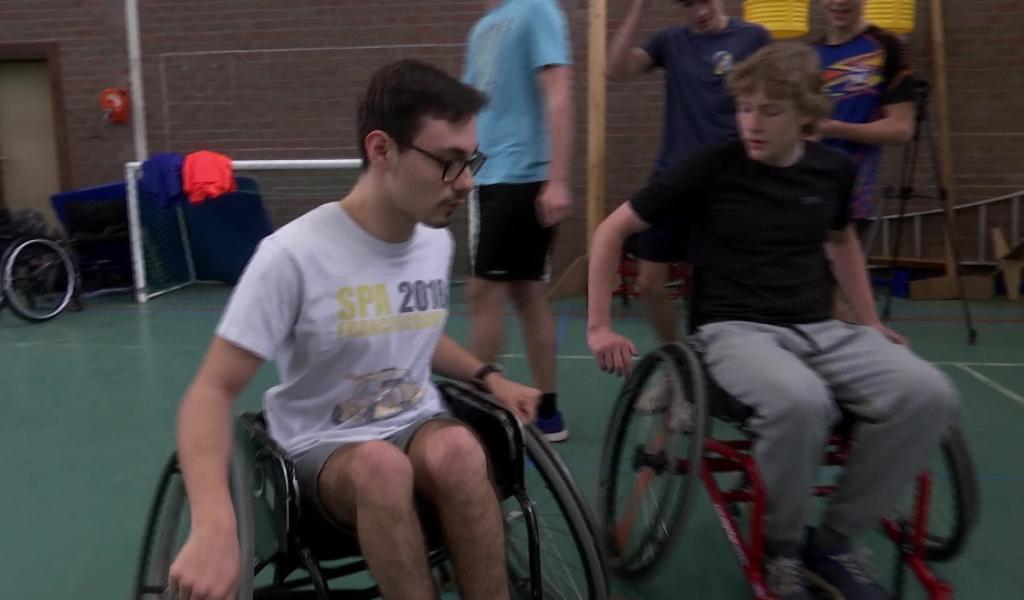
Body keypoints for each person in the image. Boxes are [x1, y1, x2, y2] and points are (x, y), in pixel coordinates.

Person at [586, 43, 958, 600]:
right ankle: (780, 547)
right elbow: (610, 231)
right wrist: (598, 326)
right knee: (801, 401)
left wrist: (869, 322)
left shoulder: (831, 171)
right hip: (732, 333)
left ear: (806, 117)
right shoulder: (709, 168)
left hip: (820, 330)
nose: (751, 123)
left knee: (930, 393)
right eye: (745, 108)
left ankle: (833, 540)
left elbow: (842, 244)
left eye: (769, 111)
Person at [166, 59, 541, 600]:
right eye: (449, 162)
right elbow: (210, 390)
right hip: (324, 447)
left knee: (462, 449)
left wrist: (488, 376)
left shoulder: (434, 242)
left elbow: (411, 330)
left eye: (471, 161)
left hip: (414, 421)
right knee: (380, 468)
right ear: (381, 149)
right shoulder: (292, 257)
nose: (467, 182)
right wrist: (214, 524)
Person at [606, 0, 770, 344]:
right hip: (673, 177)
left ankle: (714, 363)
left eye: (703, 2)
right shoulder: (670, 40)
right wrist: (638, 10)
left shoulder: (753, 37)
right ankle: (676, 360)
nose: (699, 12)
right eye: (688, 5)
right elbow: (616, 69)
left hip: (726, 182)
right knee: (648, 283)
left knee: (712, 290)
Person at [462, 0, 574, 442]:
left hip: (522, 173)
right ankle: (548, 413)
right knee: (527, 292)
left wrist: (558, 179)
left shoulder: (537, 9)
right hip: (488, 175)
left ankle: (477, 412)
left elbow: (559, 92)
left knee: (481, 292)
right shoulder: (483, 27)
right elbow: (471, 107)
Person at [813, 0, 916, 248]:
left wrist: (832, 128)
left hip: (853, 194)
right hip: (807, 188)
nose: (838, 2)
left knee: (842, 280)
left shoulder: (887, 47)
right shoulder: (809, 54)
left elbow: (901, 129)